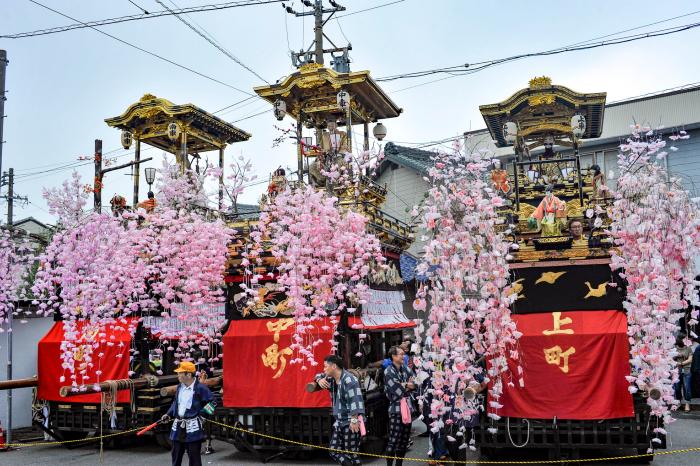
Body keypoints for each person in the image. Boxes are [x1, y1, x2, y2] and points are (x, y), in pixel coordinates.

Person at [161, 361, 215, 466]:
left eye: (180, 373)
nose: (178, 375)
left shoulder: (201, 388)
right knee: (176, 456)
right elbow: (176, 403)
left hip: (193, 426)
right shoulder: (180, 387)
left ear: (188, 374)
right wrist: (168, 414)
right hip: (178, 426)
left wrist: (203, 414)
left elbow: (213, 403)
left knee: (194, 458)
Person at [315, 355, 365, 466]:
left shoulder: (349, 379)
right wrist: (319, 380)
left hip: (350, 420)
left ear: (334, 366)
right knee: (334, 450)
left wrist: (354, 419)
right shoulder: (332, 378)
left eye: (325, 366)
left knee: (352, 453)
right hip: (340, 420)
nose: (324, 369)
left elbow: (355, 399)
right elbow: (317, 375)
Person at [384, 345, 415, 466]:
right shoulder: (388, 371)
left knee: (404, 439)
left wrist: (404, 384)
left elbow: (416, 382)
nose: (403, 356)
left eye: (403, 354)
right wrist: (408, 385)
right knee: (394, 439)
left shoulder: (405, 368)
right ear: (393, 356)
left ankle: (399, 464)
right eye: (401, 354)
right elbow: (396, 390)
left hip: (407, 407)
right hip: (395, 409)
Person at [673, 336, 693, 412]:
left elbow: (690, 359)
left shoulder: (688, 348)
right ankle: (678, 402)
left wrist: (681, 363)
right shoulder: (674, 348)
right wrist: (676, 357)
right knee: (677, 387)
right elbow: (670, 358)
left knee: (686, 387)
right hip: (676, 370)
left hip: (686, 369)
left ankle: (687, 403)